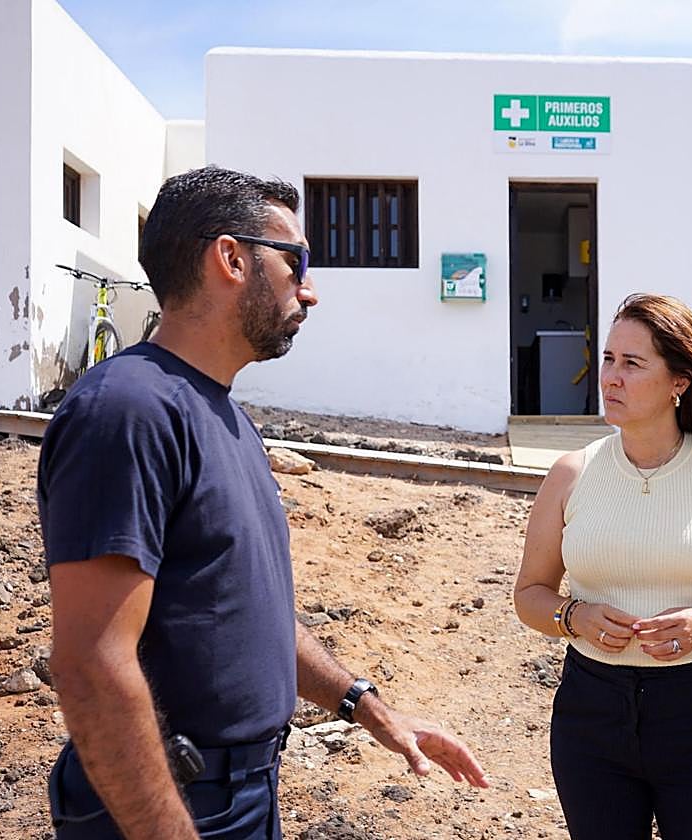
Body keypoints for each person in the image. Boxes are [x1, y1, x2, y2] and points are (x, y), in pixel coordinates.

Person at [39, 166, 488, 840]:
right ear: (229, 257)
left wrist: (370, 708)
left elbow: (247, 612)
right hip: (165, 801)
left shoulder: (218, 411)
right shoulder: (129, 412)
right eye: (295, 260)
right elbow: (93, 666)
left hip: (239, 794)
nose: (309, 291)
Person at [513, 293, 692, 839]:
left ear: (679, 381)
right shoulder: (570, 474)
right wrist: (574, 616)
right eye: (607, 359)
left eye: (632, 363)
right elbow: (530, 592)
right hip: (590, 712)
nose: (611, 378)